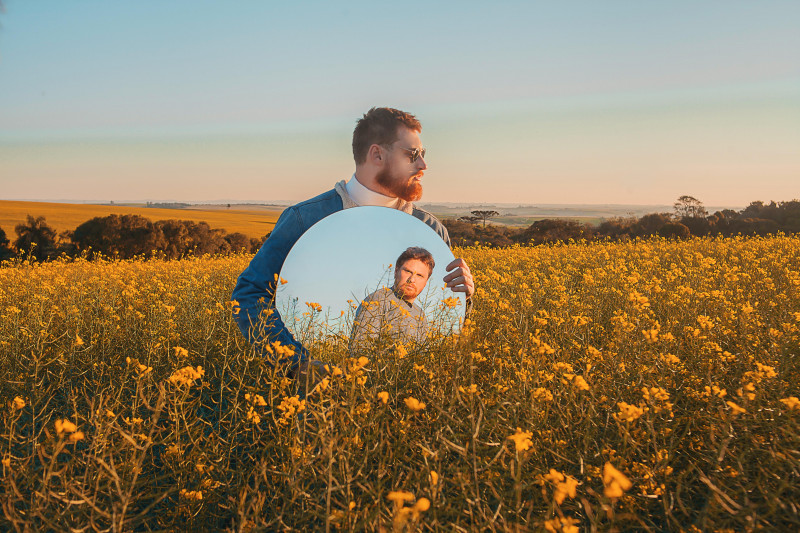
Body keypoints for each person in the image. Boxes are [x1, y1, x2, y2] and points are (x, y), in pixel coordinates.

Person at [231, 107, 475, 385]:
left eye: (424, 154)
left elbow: (446, 331)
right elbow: (250, 295)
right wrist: (296, 365)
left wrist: (464, 299)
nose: (423, 166)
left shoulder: (432, 230)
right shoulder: (305, 218)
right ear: (376, 154)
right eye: (412, 155)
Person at [349, 247, 434, 351]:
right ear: (396, 271)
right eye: (408, 271)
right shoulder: (377, 300)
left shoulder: (420, 314)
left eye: (420, 275)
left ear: (426, 282)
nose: (411, 280)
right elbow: (359, 350)